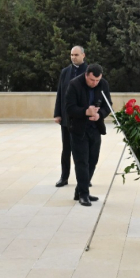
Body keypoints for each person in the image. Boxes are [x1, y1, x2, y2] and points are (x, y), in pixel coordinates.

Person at [64, 63, 111, 206]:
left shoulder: (103, 84)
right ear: (86, 75)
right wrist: (86, 112)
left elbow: (108, 105)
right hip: (78, 129)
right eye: (92, 80)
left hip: (95, 128)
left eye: (97, 80)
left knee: (93, 161)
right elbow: (69, 108)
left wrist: (100, 115)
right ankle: (84, 194)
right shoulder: (74, 84)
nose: (95, 83)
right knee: (81, 162)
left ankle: (80, 190)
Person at [53, 45, 87, 187]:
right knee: (66, 149)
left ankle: (85, 179)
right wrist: (57, 113)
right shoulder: (65, 72)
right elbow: (60, 93)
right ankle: (64, 177)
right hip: (67, 119)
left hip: (82, 119)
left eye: (76, 55)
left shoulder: (89, 72)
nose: (73, 57)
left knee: (83, 151)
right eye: (72, 55)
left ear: (83, 55)